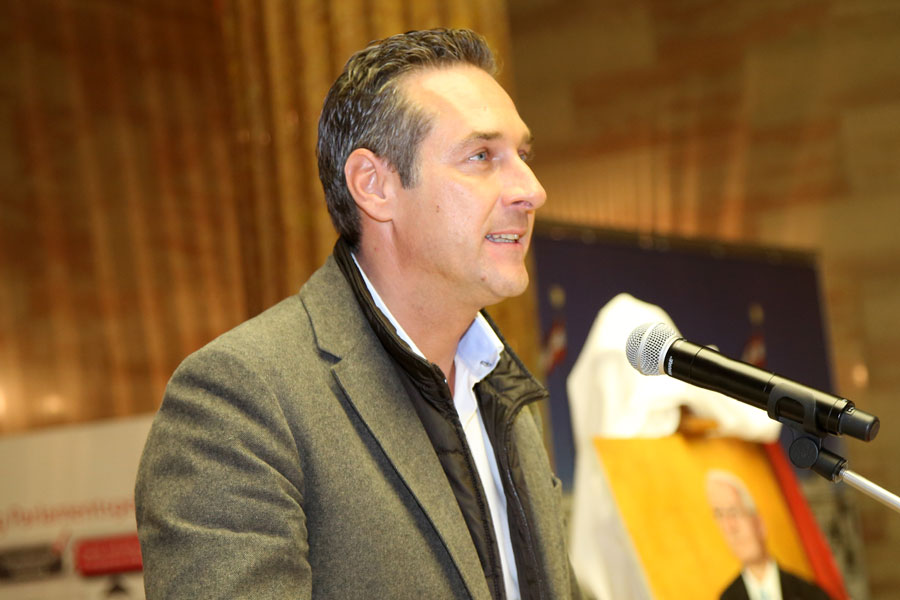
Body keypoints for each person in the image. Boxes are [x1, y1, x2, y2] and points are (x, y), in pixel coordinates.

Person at [135, 28, 577, 599]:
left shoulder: (499, 392)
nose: (532, 190)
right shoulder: (241, 398)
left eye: (523, 156)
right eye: (481, 156)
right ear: (374, 186)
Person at [706, 470, 831, 600]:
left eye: (734, 512)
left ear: (759, 523)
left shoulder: (810, 594)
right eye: (720, 516)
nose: (730, 527)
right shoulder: (726, 598)